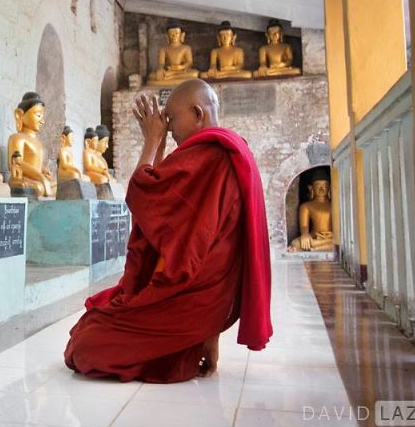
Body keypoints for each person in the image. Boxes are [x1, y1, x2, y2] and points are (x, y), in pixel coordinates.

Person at [64, 79, 272, 382]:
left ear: (198, 114)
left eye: (172, 119)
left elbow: (143, 195)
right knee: (93, 326)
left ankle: (187, 340)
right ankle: (188, 342)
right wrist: (210, 332)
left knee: (84, 346)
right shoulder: (230, 151)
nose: (168, 128)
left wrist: (150, 142)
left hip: (192, 298)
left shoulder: (208, 156)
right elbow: (166, 212)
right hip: (206, 301)